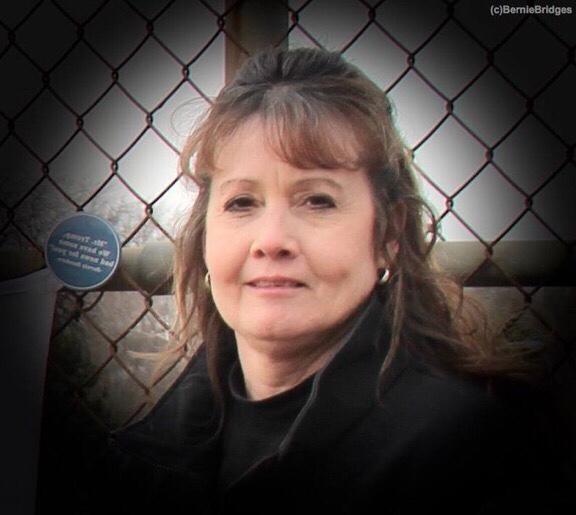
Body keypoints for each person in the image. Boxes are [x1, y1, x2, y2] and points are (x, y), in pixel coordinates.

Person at [93, 46, 571, 514]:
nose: (271, 240)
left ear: (387, 234)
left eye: (318, 200)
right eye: (242, 203)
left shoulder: (472, 453)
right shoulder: (144, 455)